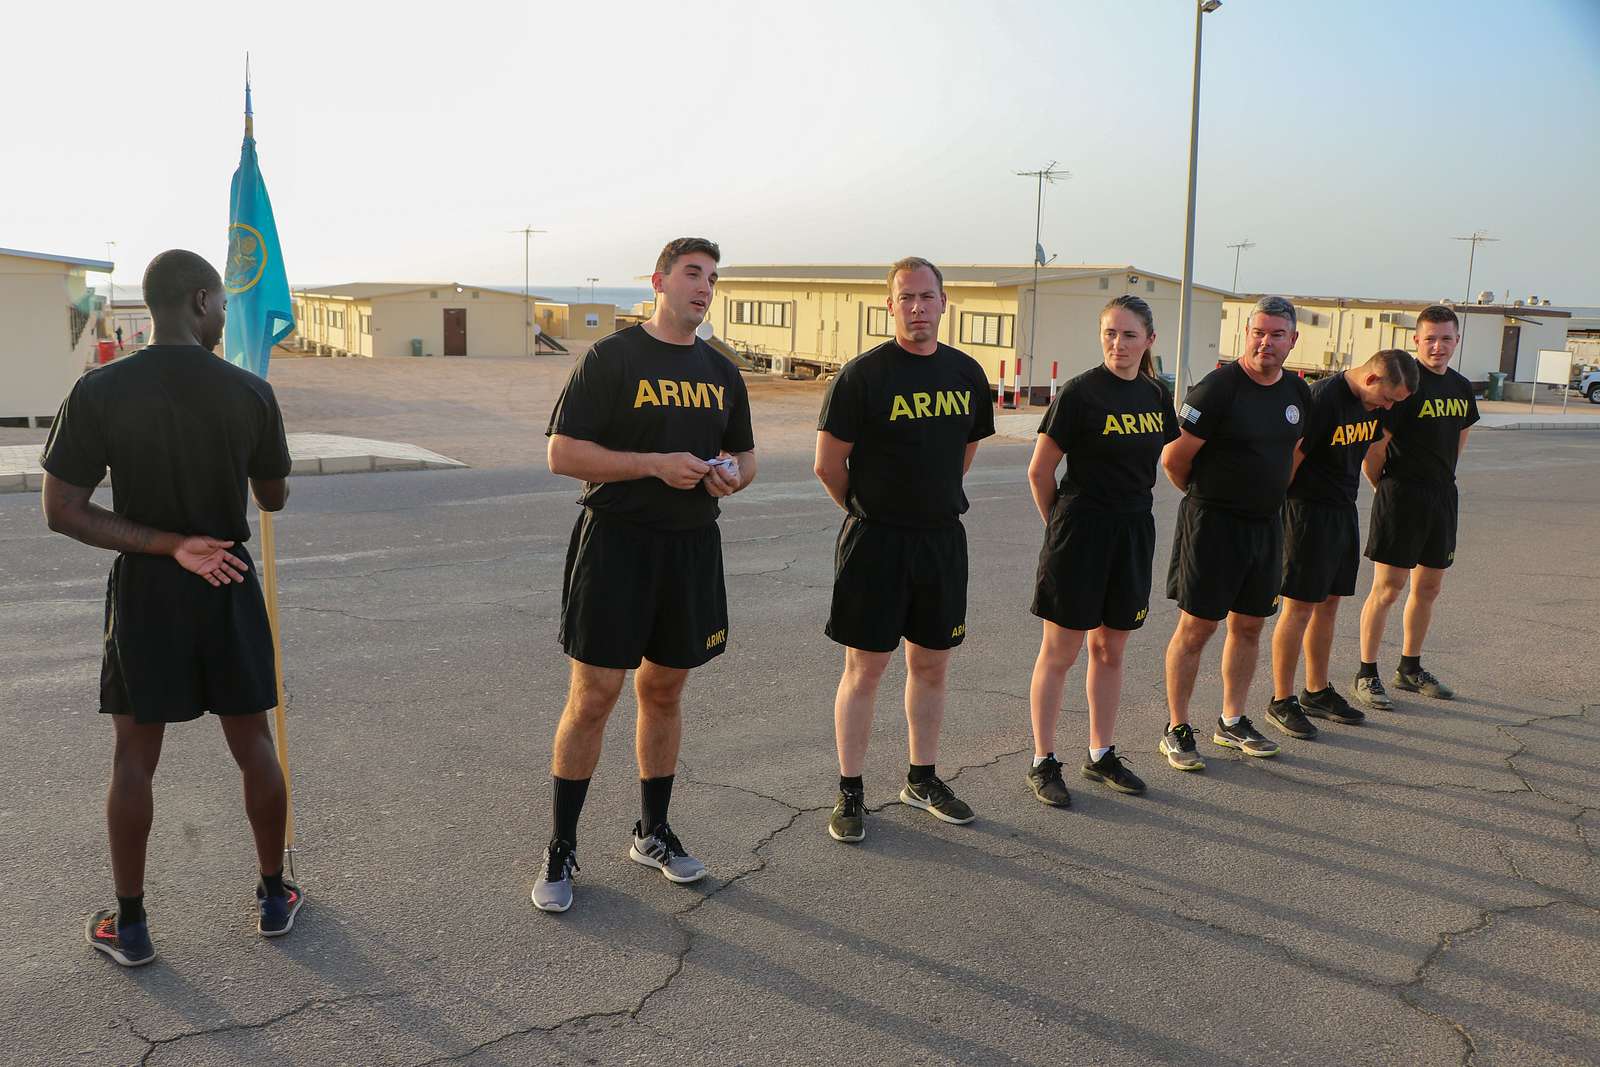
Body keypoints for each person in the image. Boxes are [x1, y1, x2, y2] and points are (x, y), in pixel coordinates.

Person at [41, 250, 298, 967]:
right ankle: (274, 896)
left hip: (148, 591)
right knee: (254, 744)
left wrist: (161, 543)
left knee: (134, 756)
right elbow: (273, 497)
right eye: (219, 302)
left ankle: (131, 925)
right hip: (226, 577)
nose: (223, 314)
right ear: (195, 301)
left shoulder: (100, 391)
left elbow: (61, 509)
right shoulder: (249, 391)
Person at [533, 237, 756, 913]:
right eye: (693, 273)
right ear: (659, 280)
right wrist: (654, 464)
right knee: (595, 693)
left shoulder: (723, 370)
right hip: (618, 545)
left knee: (664, 689)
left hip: (689, 548)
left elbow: (746, 460)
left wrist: (727, 479)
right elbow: (561, 453)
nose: (704, 286)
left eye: (713, 278)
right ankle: (561, 846)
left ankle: (652, 831)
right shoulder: (613, 357)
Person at [814, 257, 995, 843]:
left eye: (927, 297)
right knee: (865, 669)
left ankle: (922, 778)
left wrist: (927, 503)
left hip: (941, 540)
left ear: (946, 303)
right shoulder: (862, 376)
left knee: (932, 663)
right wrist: (872, 510)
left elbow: (963, 453)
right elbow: (827, 464)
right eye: (906, 299)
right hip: (876, 540)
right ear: (889, 306)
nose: (917, 308)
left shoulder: (967, 374)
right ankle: (850, 791)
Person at [1023, 295, 1177, 805]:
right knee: (1061, 651)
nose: (1118, 343)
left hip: (1132, 530)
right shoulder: (1079, 393)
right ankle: (1044, 760)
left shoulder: (1156, 396)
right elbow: (1040, 471)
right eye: (1110, 333)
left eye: (1129, 334)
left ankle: (1101, 754)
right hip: (1080, 531)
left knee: (1110, 649)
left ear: (1149, 341)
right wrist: (1061, 529)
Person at [1158, 296, 1313, 771]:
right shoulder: (1217, 389)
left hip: (1266, 526)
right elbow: (1174, 459)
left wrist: (1264, 497)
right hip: (1212, 526)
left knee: (1249, 625)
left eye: (1277, 334)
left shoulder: (1298, 392)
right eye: (1258, 332)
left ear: (1293, 340)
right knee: (1198, 627)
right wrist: (1210, 499)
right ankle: (1177, 728)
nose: (1266, 342)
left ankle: (1232, 719)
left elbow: (1296, 451)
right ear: (1246, 333)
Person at [1265, 350, 1418, 739]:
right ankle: (1282, 700)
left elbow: (1369, 451)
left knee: (1329, 605)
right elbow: (1292, 460)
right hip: (1306, 513)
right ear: (1371, 380)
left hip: (1342, 511)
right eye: (1387, 398)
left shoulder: (1374, 405)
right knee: (1298, 608)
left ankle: (1316, 690)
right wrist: (1276, 512)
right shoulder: (1321, 400)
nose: (1387, 407)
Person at [1354, 305, 1480, 707]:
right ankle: (1367, 672)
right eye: (1430, 338)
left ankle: (1409, 668)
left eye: (1445, 338)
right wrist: (1384, 491)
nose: (1438, 346)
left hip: (1442, 496)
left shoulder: (1461, 387)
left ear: (1457, 341)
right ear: (1416, 340)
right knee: (1388, 589)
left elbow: (1459, 439)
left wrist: (1444, 482)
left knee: (1429, 587)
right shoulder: (1406, 383)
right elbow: (1375, 451)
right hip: (1402, 495)